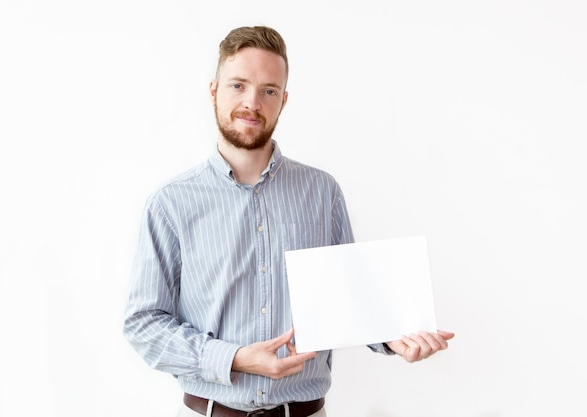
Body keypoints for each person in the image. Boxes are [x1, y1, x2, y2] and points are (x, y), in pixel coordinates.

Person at [123, 25, 454, 417]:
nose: (252, 102)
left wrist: (392, 339)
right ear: (213, 90)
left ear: (284, 100)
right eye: (238, 85)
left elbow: (350, 299)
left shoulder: (322, 192)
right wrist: (234, 358)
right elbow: (144, 324)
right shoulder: (170, 204)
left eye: (268, 90)